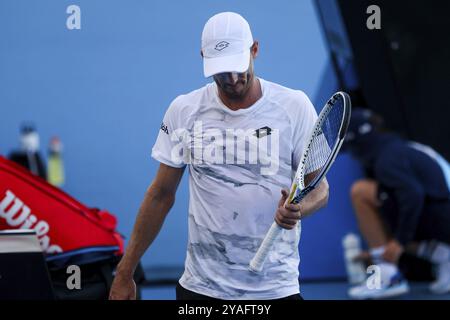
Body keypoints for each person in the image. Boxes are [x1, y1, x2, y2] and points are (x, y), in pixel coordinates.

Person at [109, 12, 329, 300]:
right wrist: (125, 273)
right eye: (223, 71)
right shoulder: (183, 110)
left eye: (239, 66)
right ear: (203, 58)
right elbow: (160, 195)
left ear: (255, 50)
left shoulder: (295, 107)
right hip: (200, 291)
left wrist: (300, 209)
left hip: (276, 290)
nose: (234, 79)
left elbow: (321, 190)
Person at [345, 108, 450, 299]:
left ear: (359, 143)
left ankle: (386, 276)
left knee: (360, 191)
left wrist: (398, 241)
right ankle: (444, 254)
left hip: (441, 221)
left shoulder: (387, 158)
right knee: (387, 207)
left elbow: (413, 195)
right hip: (442, 221)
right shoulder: (398, 148)